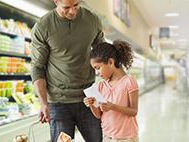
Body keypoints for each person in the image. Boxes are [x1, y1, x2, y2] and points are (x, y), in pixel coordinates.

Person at [30, 0, 104, 141]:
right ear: (56, 1)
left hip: (89, 98)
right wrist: (44, 103)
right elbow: (37, 67)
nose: (73, 11)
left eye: (76, 5)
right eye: (67, 7)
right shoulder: (43, 26)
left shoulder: (92, 20)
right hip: (59, 102)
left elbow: (103, 54)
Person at [83, 40, 139, 142]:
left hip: (127, 138)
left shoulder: (129, 82)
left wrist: (113, 107)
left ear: (110, 62)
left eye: (98, 68)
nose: (97, 72)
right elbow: (99, 115)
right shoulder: (101, 85)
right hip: (107, 136)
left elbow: (133, 111)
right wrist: (91, 105)